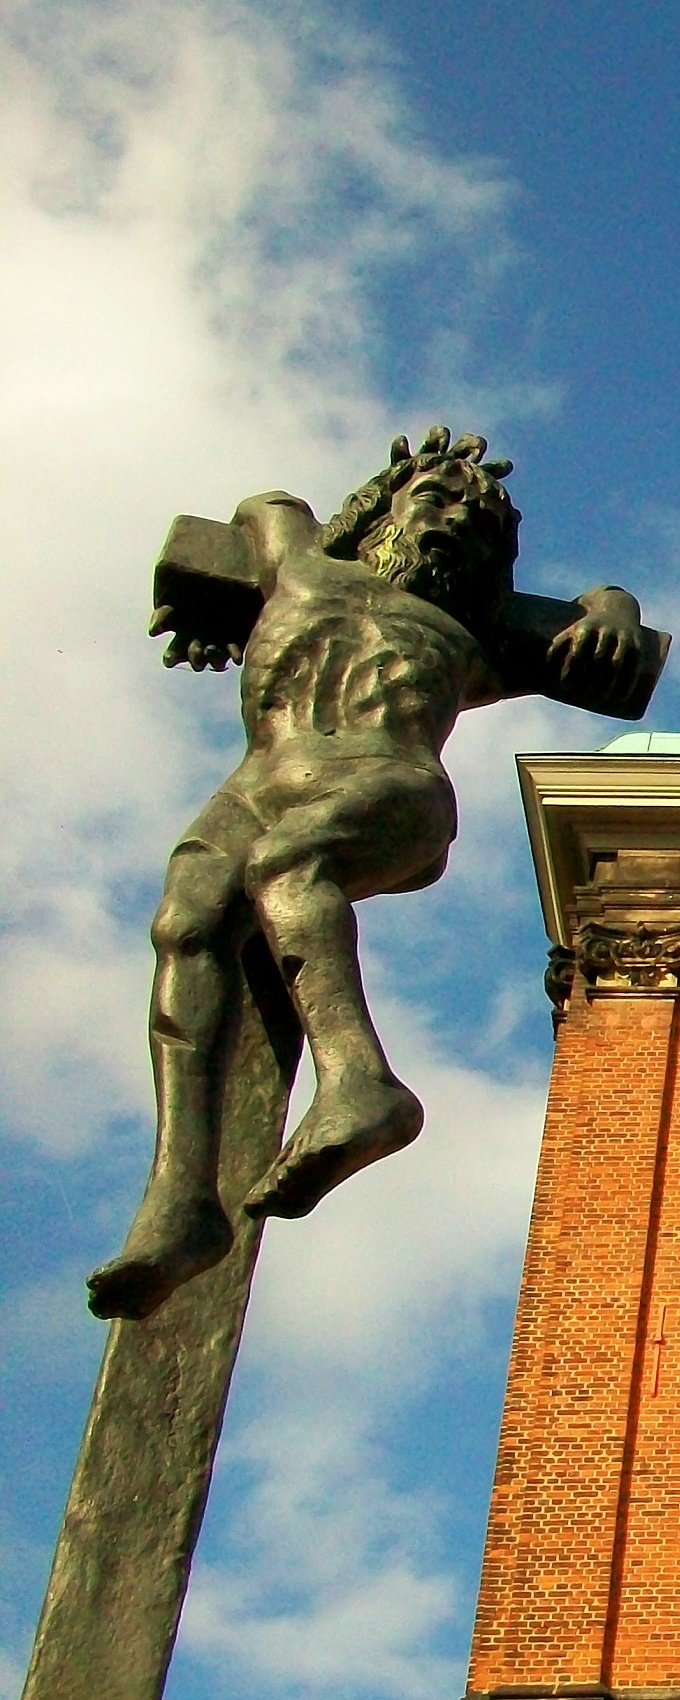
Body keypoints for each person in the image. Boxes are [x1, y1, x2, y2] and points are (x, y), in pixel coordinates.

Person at [87, 428, 649, 1320]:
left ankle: (359, 1083)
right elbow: (260, 507)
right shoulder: (300, 565)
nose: (451, 529)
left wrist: (611, 606)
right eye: (435, 505)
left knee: (288, 863)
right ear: (381, 513)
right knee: (186, 926)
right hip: (254, 786)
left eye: (479, 528)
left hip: (388, 784)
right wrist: (218, 608)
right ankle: (182, 1198)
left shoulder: (479, 627)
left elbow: (600, 616)